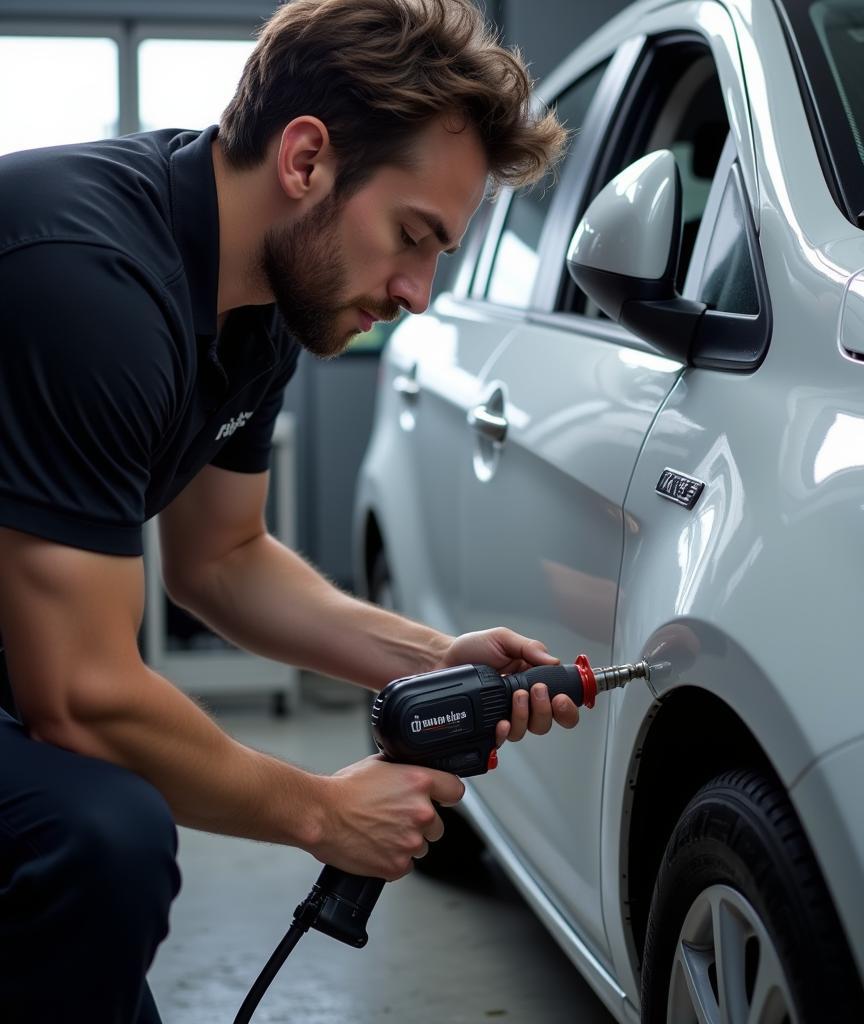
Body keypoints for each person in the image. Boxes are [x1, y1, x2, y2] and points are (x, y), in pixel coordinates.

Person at [0, 1, 570, 1020]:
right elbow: (80, 695)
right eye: (412, 235)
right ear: (305, 158)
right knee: (103, 836)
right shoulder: (87, 284)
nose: (419, 292)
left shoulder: (259, 305)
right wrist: (319, 811)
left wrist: (435, 661)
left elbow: (221, 558)